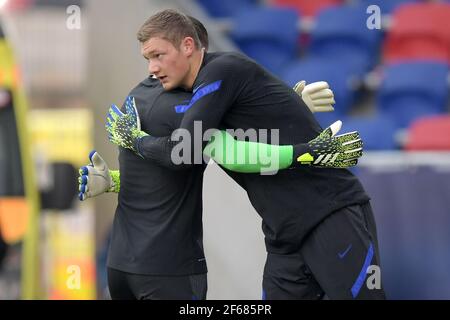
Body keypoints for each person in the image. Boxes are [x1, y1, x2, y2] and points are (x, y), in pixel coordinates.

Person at [105, 9, 385, 300]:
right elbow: (220, 149)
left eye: (158, 55)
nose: (151, 68)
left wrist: (135, 140)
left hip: (329, 212)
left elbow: (181, 151)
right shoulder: (198, 98)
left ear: (188, 46)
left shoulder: (221, 70)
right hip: (282, 233)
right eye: (147, 59)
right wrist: (116, 179)